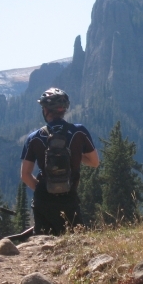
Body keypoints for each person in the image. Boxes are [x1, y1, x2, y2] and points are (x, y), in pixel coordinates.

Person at [20, 88, 99, 235]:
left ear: (45, 110)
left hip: (43, 201)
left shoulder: (34, 137)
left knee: (43, 247)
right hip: (69, 198)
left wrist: (44, 189)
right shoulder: (79, 132)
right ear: (64, 110)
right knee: (75, 245)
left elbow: (25, 175)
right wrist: (76, 153)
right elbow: (94, 162)